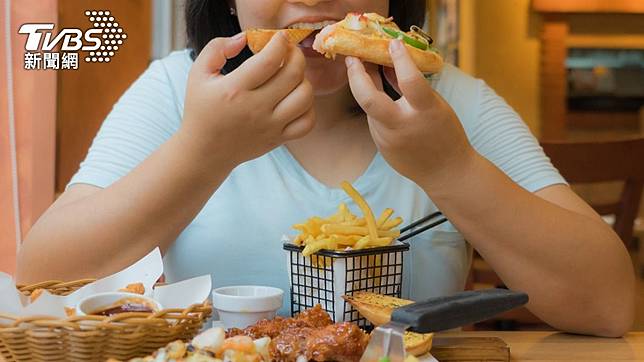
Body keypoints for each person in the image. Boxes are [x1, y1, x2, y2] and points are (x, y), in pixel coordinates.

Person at [17, 0, 634, 337]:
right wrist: (205, 149)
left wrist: (452, 168)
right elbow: (42, 278)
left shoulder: (453, 101)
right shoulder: (178, 90)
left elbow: (608, 305)